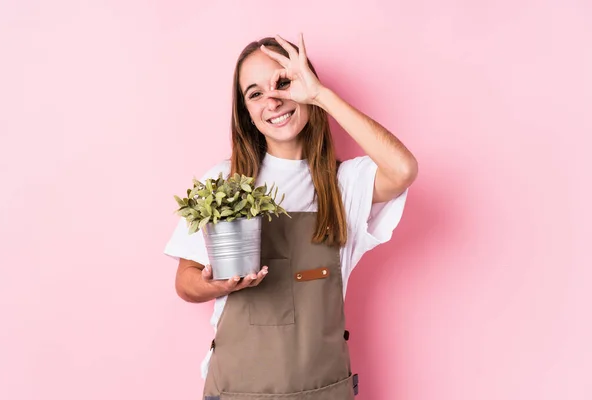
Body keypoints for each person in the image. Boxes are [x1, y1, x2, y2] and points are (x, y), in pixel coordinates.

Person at [164, 33, 418, 400]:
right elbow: (185, 282)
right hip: (236, 389)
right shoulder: (224, 182)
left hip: (322, 390)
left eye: (283, 83)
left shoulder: (344, 185)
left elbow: (403, 169)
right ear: (247, 113)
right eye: (255, 94)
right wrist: (216, 285)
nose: (273, 101)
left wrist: (321, 96)